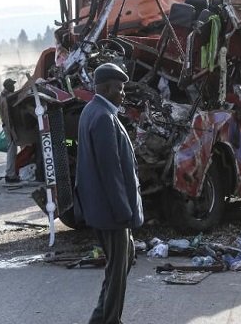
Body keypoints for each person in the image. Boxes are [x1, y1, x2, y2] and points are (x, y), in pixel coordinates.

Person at [74, 63, 143, 324]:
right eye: (119, 88)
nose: (123, 93)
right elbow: (110, 171)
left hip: (103, 209)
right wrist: (124, 211)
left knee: (124, 259)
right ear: (104, 88)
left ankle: (101, 317)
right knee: (117, 269)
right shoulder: (103, 117)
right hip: (111, 212)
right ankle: (109, 319)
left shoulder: (92, 111)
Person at [0, 78, 20, 183]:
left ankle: (10, 173)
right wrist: (12, 133)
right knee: (12, 151)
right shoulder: (5, 99)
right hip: (9, 128)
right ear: (8, 86)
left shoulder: (4, 97)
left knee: (12, 150)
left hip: (8, 127)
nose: (14, 87)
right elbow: (7, 118)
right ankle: (10, 175)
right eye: (12, 85)